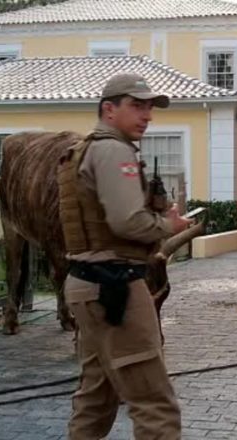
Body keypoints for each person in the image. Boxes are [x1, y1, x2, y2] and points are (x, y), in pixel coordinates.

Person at [56, 72, 191, 439]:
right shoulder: (114, 150)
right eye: (137, 106)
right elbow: (128, 222)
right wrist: (168, 225)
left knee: (96, 399)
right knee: (155, 404)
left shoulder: (82, 150)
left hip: (86, 286)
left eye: (149, 107)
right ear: (109, 109)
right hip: (115, 289)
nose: (147, 115)